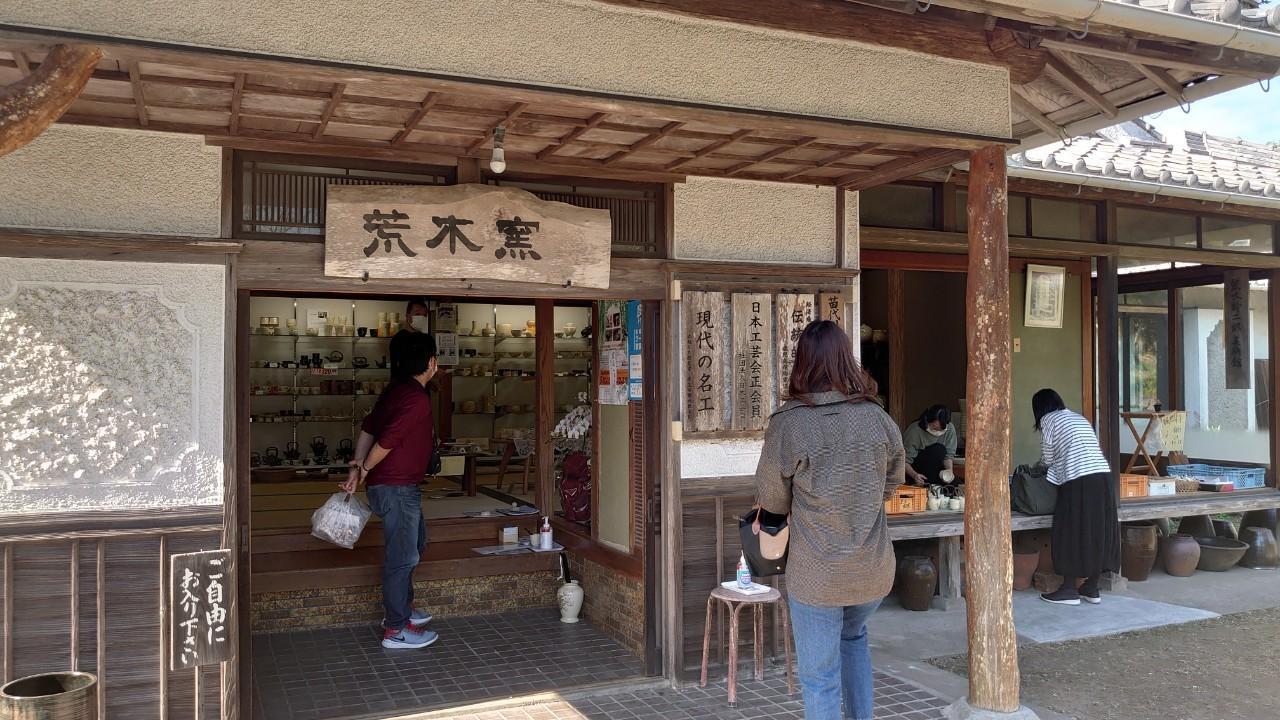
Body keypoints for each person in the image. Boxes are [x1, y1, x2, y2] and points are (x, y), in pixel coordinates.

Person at [755, 320, 904, 720]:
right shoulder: (877, 417)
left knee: (820, 678)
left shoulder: (789, 423)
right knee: (853, 639)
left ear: (801, 362)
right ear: (845, 359)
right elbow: (893, 480)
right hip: (871, 570)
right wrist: (862, 501)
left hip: (817, 574)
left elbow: (771, 500)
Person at [341, 331, 439, 649]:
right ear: (431, 362)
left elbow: (368, 427)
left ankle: (402, 611)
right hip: (396, 488)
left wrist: (357, 468)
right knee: (402, 557)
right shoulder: (415, 397)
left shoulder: (397, 390)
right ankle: (396, 628)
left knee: (415, 545)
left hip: (398, 486)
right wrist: (365, 468)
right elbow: (388, 439)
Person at [1033, 388, 1120, 607]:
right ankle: (1091, 587)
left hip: (1078, 479)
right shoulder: (1078, 418)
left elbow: (1048, 457)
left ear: (1040, 408)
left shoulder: (1048, 420)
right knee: (1098, 530)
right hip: (1102, 477)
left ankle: (1069, 589)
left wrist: (1037, 468)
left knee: (1069, 530)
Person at [902, 404, 958, 486]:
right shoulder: (914, 431)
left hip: (938, 469)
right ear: (927, 420)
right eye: (934, 428)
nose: (938, 431)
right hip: (919, 469)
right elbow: (904, 461)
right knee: (937, 449)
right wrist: (915, 475)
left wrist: (949, 471)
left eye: (941, 429)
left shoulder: (949, 428)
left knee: (955, 484)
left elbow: (948, 456)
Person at [389, 298, 431, 377]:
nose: (421, 318)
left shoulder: (424, 339)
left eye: (424, 315)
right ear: (407, 316)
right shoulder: (399, 339)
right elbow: (407, 367)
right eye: (417, 314)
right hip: (403, 383)